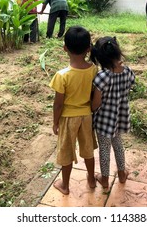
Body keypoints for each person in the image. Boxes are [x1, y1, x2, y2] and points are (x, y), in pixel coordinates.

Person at [49, 26, 98, 195]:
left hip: (68, 118)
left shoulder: (62, 75)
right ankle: (91, 179)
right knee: (88, 149)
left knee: (66, 151)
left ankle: (65, 185)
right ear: (88, 49)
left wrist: (55, 122)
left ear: (65, 48)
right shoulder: (93, 69)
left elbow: (58, 104)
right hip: (86, 115)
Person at [90, 36, 136, 188]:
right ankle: (122, 174)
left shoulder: (102, 77)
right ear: (118, 52)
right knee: (118, 144)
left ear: (101, 58)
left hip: (104, 121)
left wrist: (90, 111)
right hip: (119, 116)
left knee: (104, 150)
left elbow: (96, 103)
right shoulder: (128, 71)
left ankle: (104, 180)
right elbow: (130, 86)